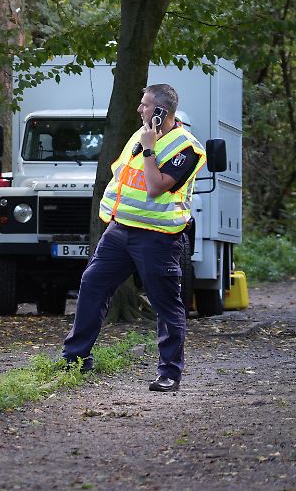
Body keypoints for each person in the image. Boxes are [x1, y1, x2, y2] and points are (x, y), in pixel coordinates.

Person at [62, 83, 206, 392]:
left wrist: (151, 147)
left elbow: (155, 187)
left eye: (144, 105)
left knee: (166, 305)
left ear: (160, 112)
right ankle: (75, 358)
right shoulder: (138, 135)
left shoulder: (187, 148)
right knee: (91, 285)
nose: (139, 109)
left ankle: (169, 373)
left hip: (158, 238)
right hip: (119, 231)